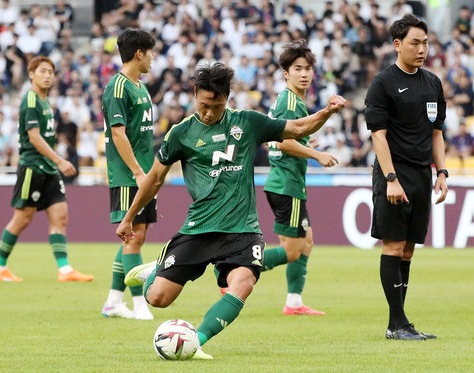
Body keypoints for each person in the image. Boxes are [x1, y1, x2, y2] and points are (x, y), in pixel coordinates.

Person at [117, 62, 346, 359]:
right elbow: (155, 179)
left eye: (216, 105)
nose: (209, 112)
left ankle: (195, 342)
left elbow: (298, 127)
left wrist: (326, 112)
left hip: (243, 230)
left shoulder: (247, 122)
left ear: (227, 98)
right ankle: (153, 271)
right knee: (157, 298)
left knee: (243, 283)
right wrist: (129, 217)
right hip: (199, 228)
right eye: (203, 105)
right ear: (195, 93)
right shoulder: (181, 133)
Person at [364, 14, 448, 341]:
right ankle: (397, 324)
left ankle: (398, 323)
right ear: (397, 44)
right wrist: (390, 178)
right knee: (394, 245)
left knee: (409, 250)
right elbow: (378, 136)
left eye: (425, 42)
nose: (422, 48)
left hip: (421, 176)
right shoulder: (383, 83)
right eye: (415, 42)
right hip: (393, 174)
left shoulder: (433, 83)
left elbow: (436, 134)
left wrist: (441, 172)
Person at [0, 56, 94, 283]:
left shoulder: (45, 102)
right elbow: (34, 137)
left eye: (51, 72)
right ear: (31, 74)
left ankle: (64, 270)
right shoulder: (30, 100)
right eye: (43, 71)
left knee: (61, 216)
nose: (48, 75)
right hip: (32, 167)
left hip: (48, 169)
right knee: (22, 219)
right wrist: (59, 160)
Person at [258, 40, 338, 316]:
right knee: (292, 251)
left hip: (286, 182)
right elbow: (282, 142)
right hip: (286, 183)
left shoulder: (290, 101)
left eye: (307, 69)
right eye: (297, 69)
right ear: (286, 73)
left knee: (307, 242)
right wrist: (316, 156)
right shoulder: (291, 102)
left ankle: (293, 302)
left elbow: (282, 139)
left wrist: (305, 146)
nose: (304, 74)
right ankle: (234, 266)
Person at [100, 28, 156, 320]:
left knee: (138, 236)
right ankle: (140, 304)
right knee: (132, 238)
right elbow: (118, 134)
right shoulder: (118, 87)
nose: (152, 59)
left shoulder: (140, 86)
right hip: (128, 176)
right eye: (150, 53)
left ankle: (112, 301)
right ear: (139, 54)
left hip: (145, 175)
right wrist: (136, 172)